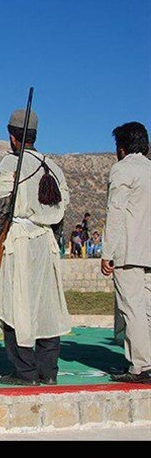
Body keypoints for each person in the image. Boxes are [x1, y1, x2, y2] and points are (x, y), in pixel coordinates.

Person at [0, 107, 70, 386]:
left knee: (14, 304)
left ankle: (25, 371)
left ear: (12, 137)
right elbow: (61, 212)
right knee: (47, 305)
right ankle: (48, 371)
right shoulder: (52, 166)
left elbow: (1, 208)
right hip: (46, 242)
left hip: (18, 242)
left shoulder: (10, 165)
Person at [101, 121, 151, 383]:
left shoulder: (122, 169)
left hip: (129, 250)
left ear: (121, 148)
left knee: (131, 309)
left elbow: (116, 212)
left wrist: (107, 252)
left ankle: (140, 365)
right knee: (148, 309)